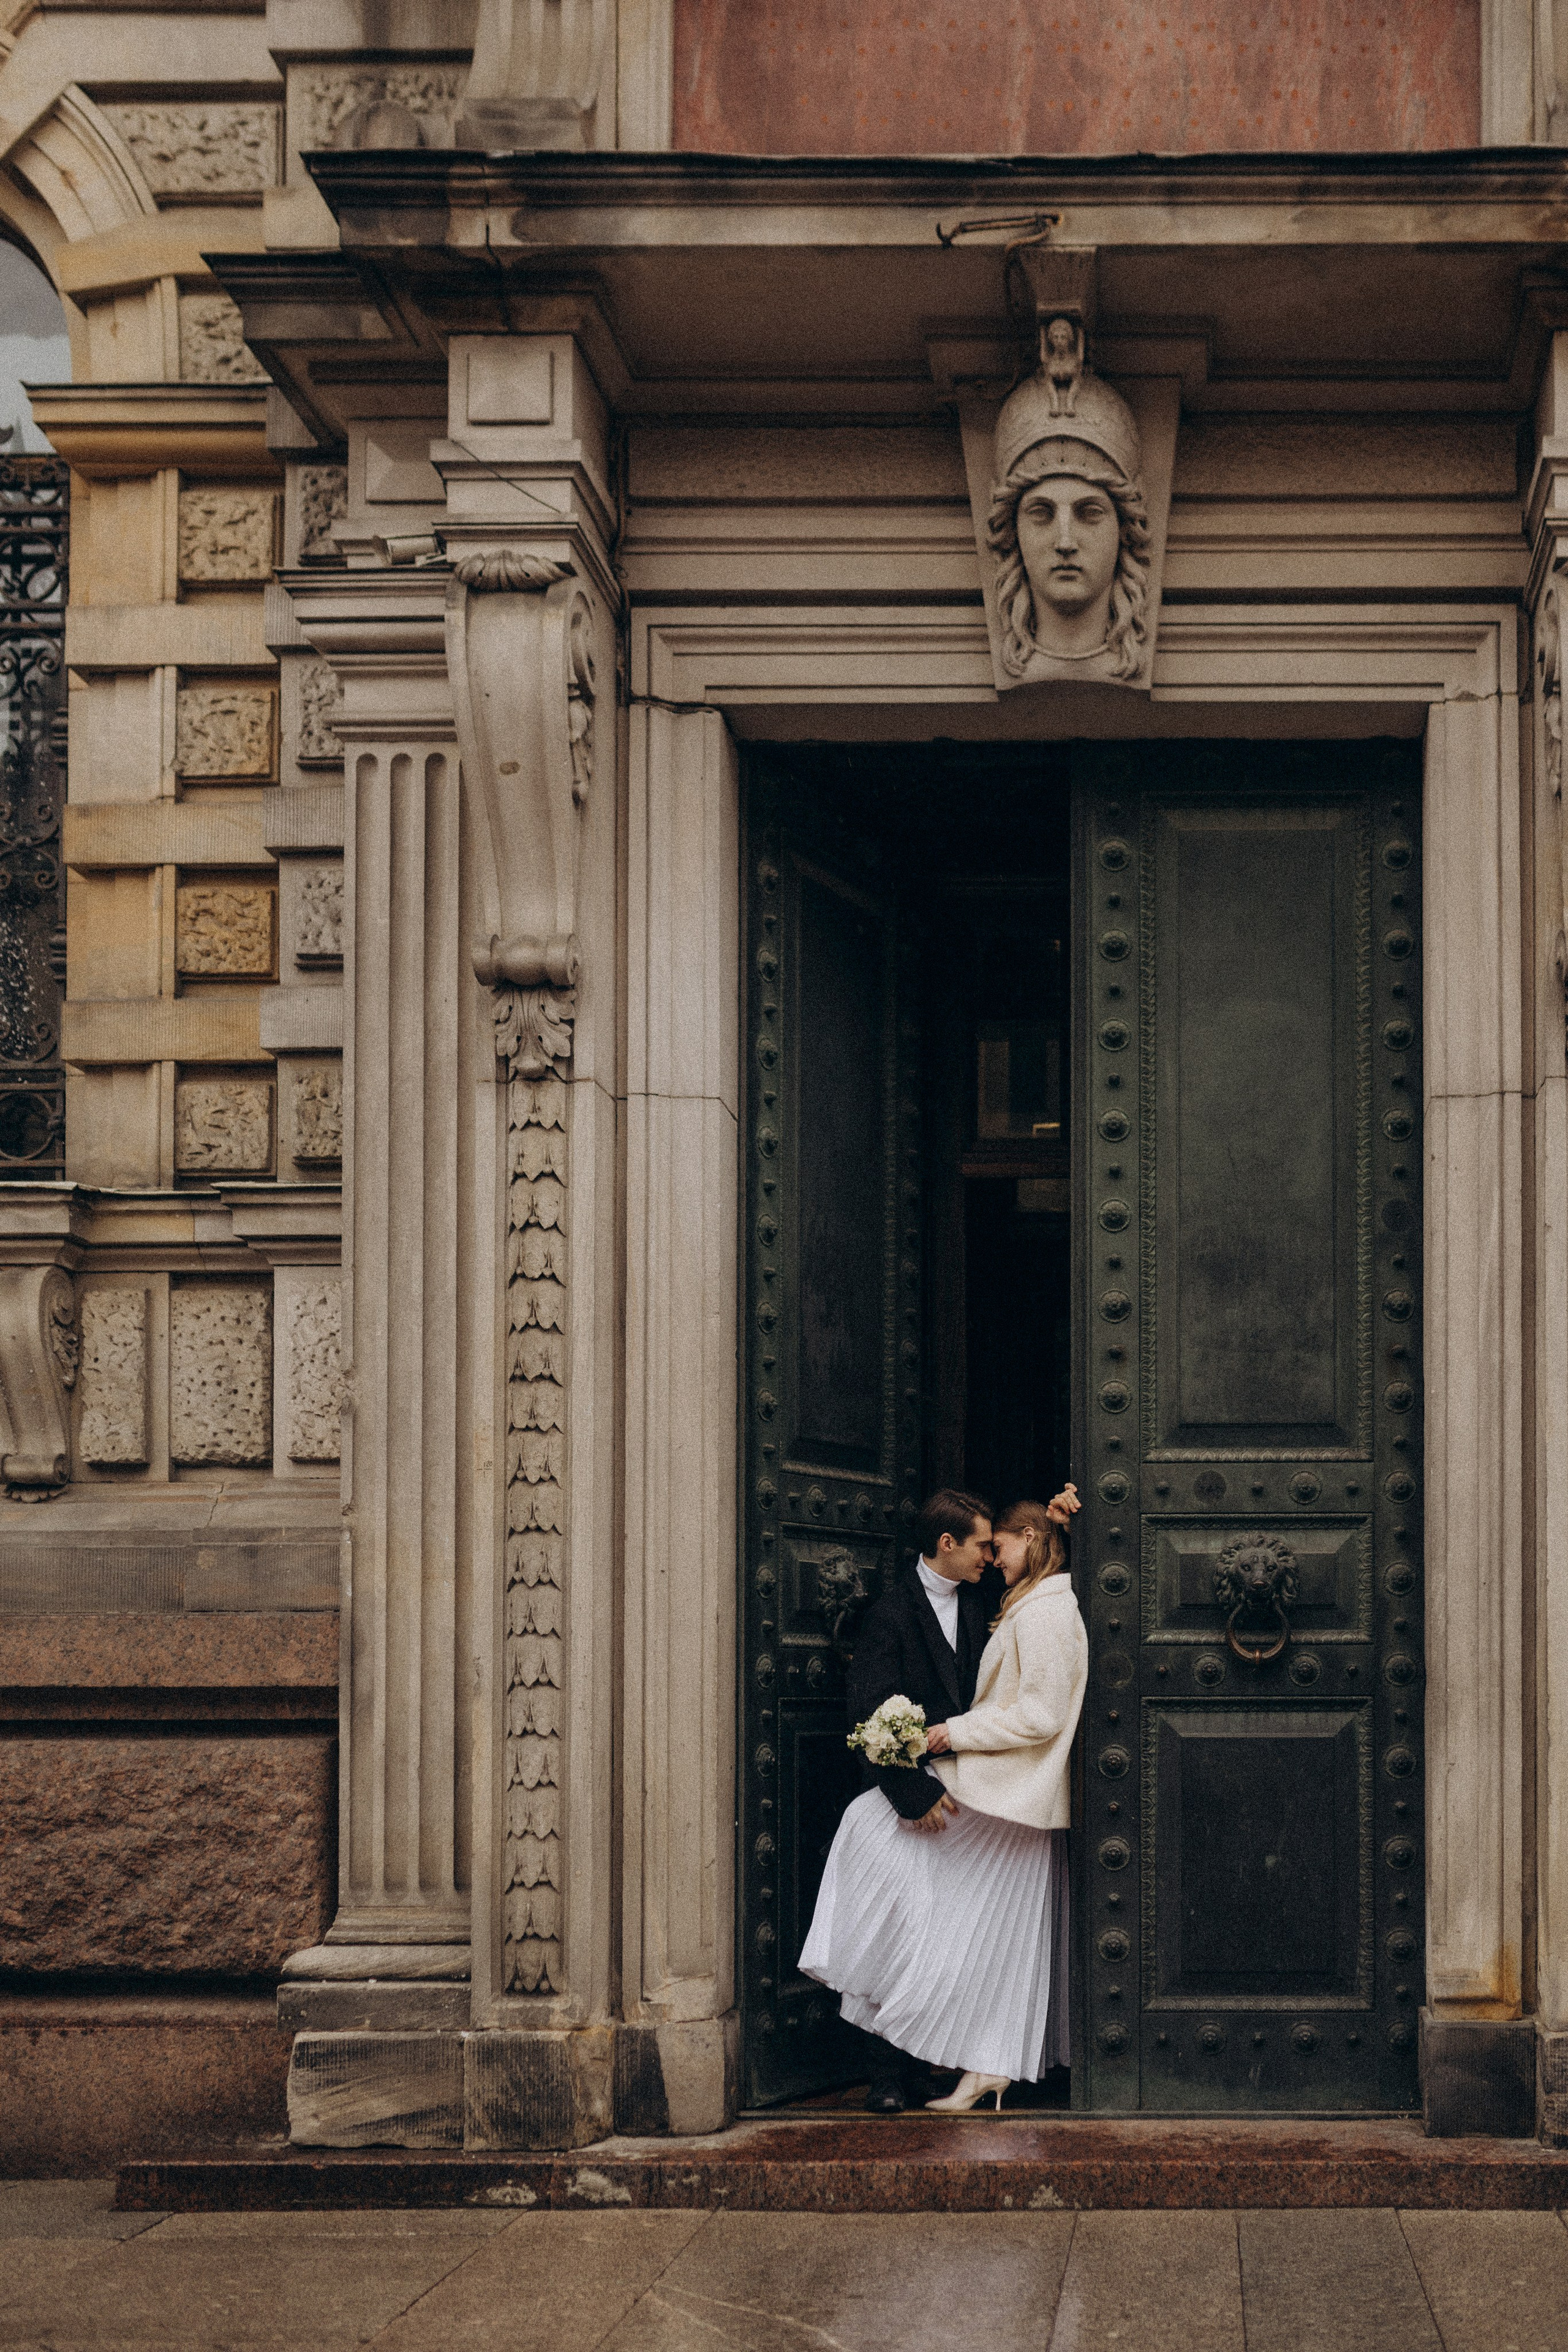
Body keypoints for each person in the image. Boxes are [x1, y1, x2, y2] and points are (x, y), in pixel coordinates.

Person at [799, 1485, 1084, 2114]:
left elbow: (1044, 1584)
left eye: (997, 1545)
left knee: (944, 1922)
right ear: (947, 1544)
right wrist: (909, 1794)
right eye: (982, 1545)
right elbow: (866, 1713)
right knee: (889, 1889)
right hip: (931, 1792)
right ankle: (889, 2072)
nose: (991, 1556)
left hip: (989, 1793)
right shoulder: (891, 1613)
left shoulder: (999, 1595)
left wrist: (1058, 1523)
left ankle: (964, 2057)